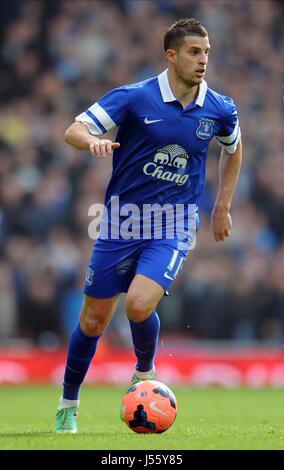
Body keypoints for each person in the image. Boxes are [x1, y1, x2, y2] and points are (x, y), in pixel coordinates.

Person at [55, 18, 242, 433]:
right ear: (171, 55)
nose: (203, 60)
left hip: (174, 224)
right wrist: (93, 142)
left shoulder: (219, 107)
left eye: (207, 52)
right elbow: (74, 129)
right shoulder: (134, 97)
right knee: (93, 321)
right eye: (194, 52)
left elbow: (234, 148)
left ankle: (144, 372)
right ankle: (68, 401)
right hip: (120, 223)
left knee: (140, 304)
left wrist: (222, 207)